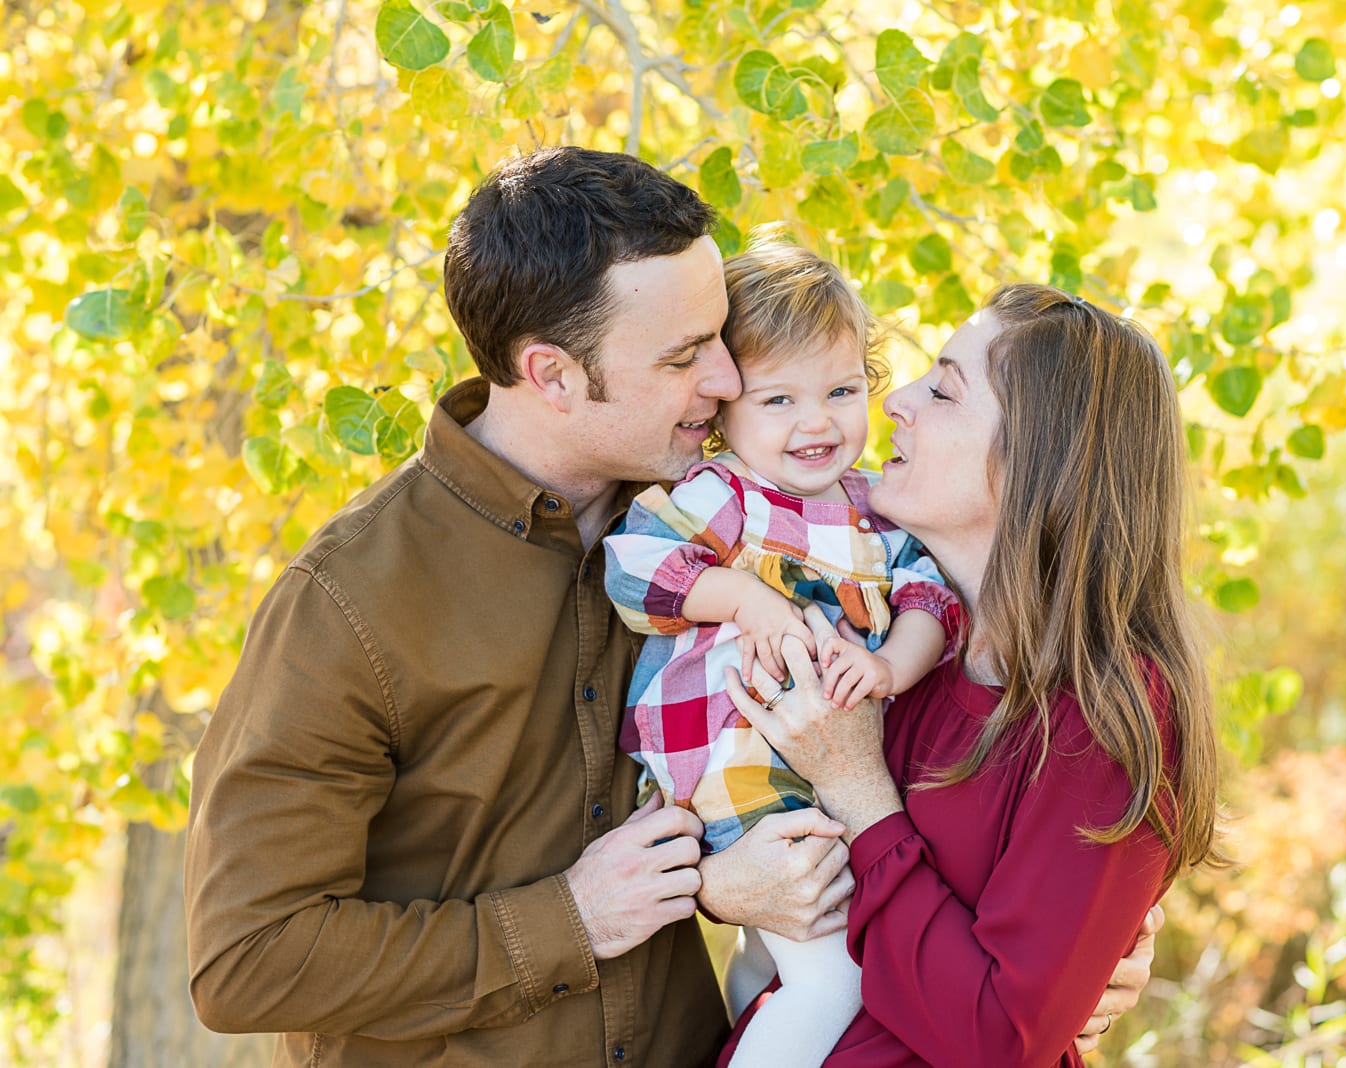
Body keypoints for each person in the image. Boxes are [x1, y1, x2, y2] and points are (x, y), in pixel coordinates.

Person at [182, 145, 1157, 1067]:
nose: (729, 381)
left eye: (722, 340)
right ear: (554, 374)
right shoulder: (355, 599)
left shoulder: (749, 517)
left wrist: (1069, 945)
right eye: (687, 354)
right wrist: (572, 919)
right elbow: (246, 961)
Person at [718, 285, 1222, 1066]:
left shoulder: (1106, 714)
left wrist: (856, 785)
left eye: (944, 390)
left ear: (1037, 461)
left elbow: (999, 1040)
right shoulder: (890, 638)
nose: (896, 401)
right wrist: (714, 885)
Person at [604, 240, 957, 1068]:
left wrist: (892, 667)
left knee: (773, 958)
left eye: (841, 390)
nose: (817, 422)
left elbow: (928, 596)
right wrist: (742, 596)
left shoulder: (876, 508)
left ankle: (745, 1034)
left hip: (818, 771)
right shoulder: (725, 495)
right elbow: (634, 568)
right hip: (736, 766)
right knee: (833, 980)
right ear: (725, 411)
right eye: (779, 400)